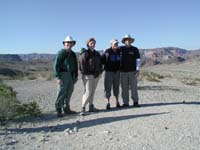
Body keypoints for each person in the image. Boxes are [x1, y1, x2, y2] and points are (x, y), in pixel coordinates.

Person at [53, 36, 78, 117]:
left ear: (73, 44)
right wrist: (58, 77)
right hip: (63, 74)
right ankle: (58, 108)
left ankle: (66, 108)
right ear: (64, 43)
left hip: (71, 75)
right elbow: (56, 65)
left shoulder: (73, 54)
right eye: (67, 42)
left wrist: (76, 75)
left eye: (70, 43)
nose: (69, 44)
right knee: (61, 91)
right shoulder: (62, 52)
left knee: (69, 91)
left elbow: (75, 65)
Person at [79, 37, 103, 115]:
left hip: (96, 75)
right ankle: (83, 108)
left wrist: (100, 72)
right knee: (88, 91)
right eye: (91, 43)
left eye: (93, 43)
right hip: (87, 75)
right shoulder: (85, 53)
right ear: (88, 44)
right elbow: (82, 64)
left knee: (92, 91)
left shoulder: (96, 53)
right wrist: (86, 73)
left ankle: (91, 106)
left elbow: (100, 63)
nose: (92, 45)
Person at [120, 34, 141, 107]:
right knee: (124, 88)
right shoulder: (121, 49)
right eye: (126, 40)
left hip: (133, 71)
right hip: (123, 72)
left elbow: (138, 60)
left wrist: (137, 70)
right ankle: (125, 103)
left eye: (129, 40)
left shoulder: (135, 49)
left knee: (134, 87)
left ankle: (135, 102)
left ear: (131, 41)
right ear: (124, 41)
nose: (128, 41)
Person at [102, 39, 121, 109]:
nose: (116, 45)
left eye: (117, 43)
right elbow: (102, 61)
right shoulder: (107, 51)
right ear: (111, 44)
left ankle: (117, 102)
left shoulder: (119, 51)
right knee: (107, 87)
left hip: (117, 72)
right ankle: (108, 102)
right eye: (114, 43)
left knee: (116, 87)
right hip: (109, 72)